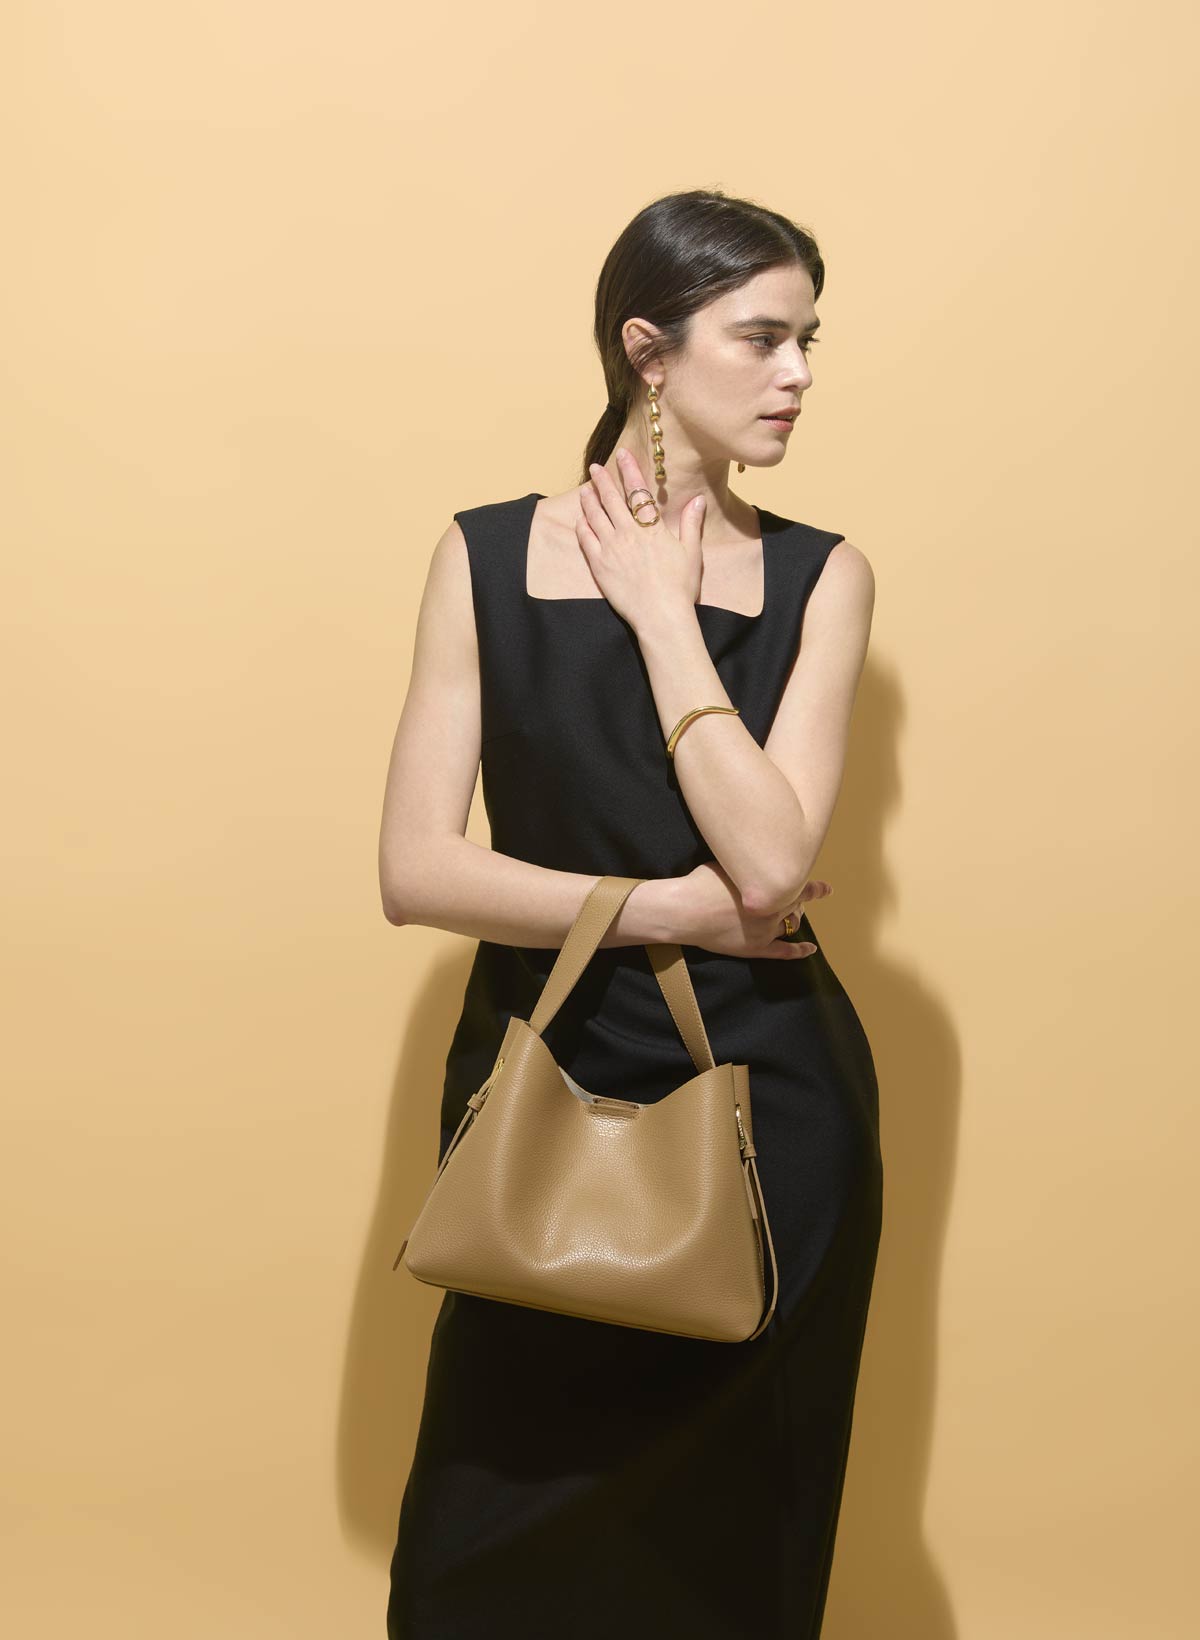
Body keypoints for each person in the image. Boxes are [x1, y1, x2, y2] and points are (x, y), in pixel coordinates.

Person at [377, 186, 882, 1639]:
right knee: (481, 1549)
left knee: (730, 1557)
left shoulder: (822, 577)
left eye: (808, 341)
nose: (799, 374)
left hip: (768, 1102)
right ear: (647, 351)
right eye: (762, 339)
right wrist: (671, 908)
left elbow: (771, 867)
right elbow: (417, 871)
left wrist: (665, 611)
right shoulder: (484, 555)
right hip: (543, 1074)